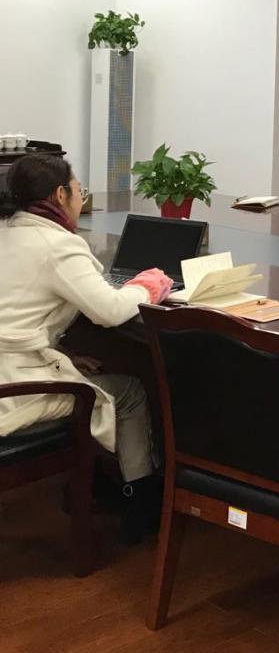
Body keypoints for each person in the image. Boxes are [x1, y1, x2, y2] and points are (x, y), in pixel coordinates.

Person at [0, 154, 172, 540]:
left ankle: (101, 480)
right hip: (15, 392)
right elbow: (110, 311)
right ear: (60, 195)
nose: (81, 199)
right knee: (129, 391)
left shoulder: (6, 230)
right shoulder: (58, 245)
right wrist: (147, 287)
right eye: (80, 191)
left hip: (9, 371)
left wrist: (62, 354)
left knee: (100, 371)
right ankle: (142, 500)